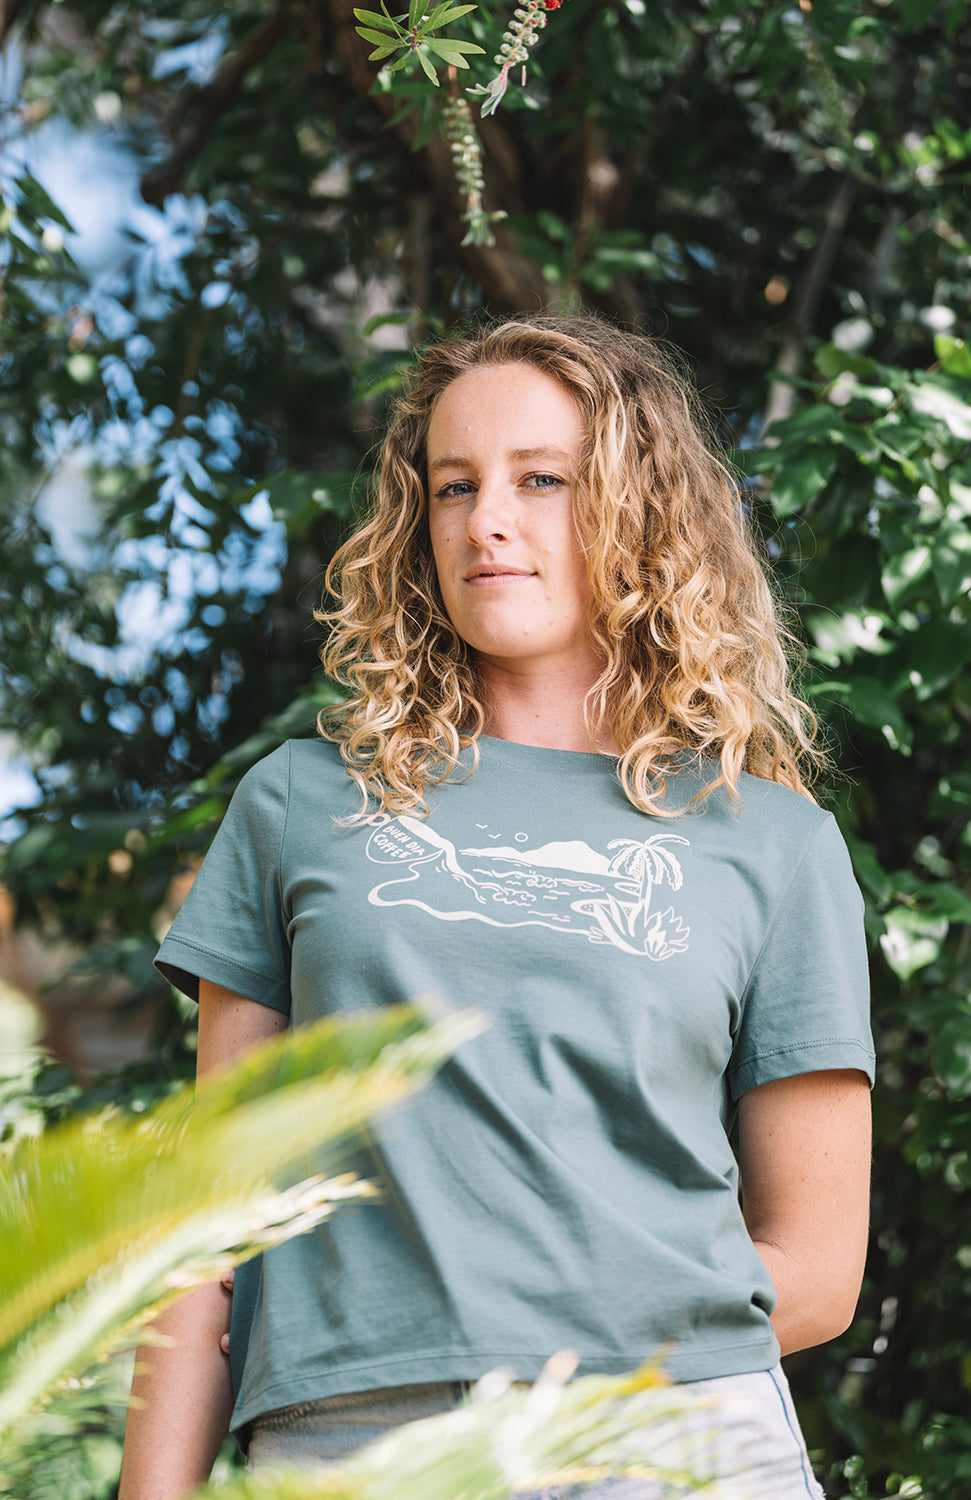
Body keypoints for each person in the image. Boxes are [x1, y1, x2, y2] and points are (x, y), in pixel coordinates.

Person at [119, 314, 874, 1500]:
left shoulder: (770, 842)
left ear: (638, 509)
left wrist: (581, 1375)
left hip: (665, 1439)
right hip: (352, 1448)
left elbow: (819, 1272)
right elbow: (208, 1231)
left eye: (543, 481)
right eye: (452, 486)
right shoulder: (299, 805)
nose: (488, 523)